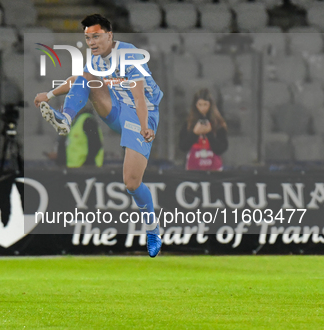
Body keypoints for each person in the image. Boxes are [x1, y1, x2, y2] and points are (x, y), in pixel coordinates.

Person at [34, 14, 163, 257]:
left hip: (140, 114)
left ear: (109, 35)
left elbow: (139, 98)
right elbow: (78, 80)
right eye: (87, 38)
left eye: (96, 36)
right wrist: (49, 95)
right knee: (86, 80)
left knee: (131, 183)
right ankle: (66, 118)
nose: (91, 42)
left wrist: (146, 126)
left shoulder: (129, 55)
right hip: (115, 108)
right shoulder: (95, 59)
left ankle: (152, 229)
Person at [178, 88, 228, 171]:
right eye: (199, 105)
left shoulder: (218, 124)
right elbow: (183, 147)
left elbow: (221, 149)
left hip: (214, 171)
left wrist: (209, 133)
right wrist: (194, 134)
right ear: (195, 105)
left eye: (205, 104)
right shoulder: (189, 124)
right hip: (193, 170)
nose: (202, 108)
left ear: (210, 105)